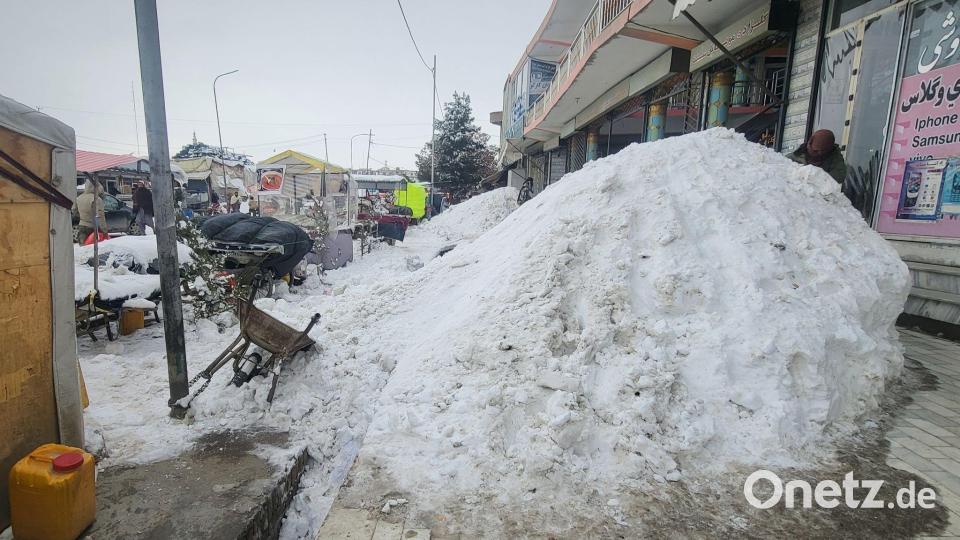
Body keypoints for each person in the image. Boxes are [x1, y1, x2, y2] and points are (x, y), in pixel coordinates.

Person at [76, 178, 107, 244]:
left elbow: (74, 211)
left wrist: (82, 218)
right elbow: (101, 216)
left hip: (82, 226)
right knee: (93, 248)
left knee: (83, 248)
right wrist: (104, 231)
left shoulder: (79, 198)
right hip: (93, 228)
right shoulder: (97, 199)